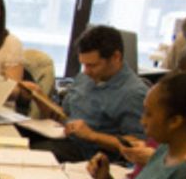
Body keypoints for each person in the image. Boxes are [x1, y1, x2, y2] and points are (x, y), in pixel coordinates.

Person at [25, 24, 149, 162]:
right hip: (63, 137)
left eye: (93, 65)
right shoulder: (87, 76)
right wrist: (38, 97)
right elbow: (63, 116)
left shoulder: (134, 93)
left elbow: (137, 143)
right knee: (15, 137)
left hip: (88, 154)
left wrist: (92, 135)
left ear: (116, 57)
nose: (86, 71)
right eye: (84, 64)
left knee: (29, 154)